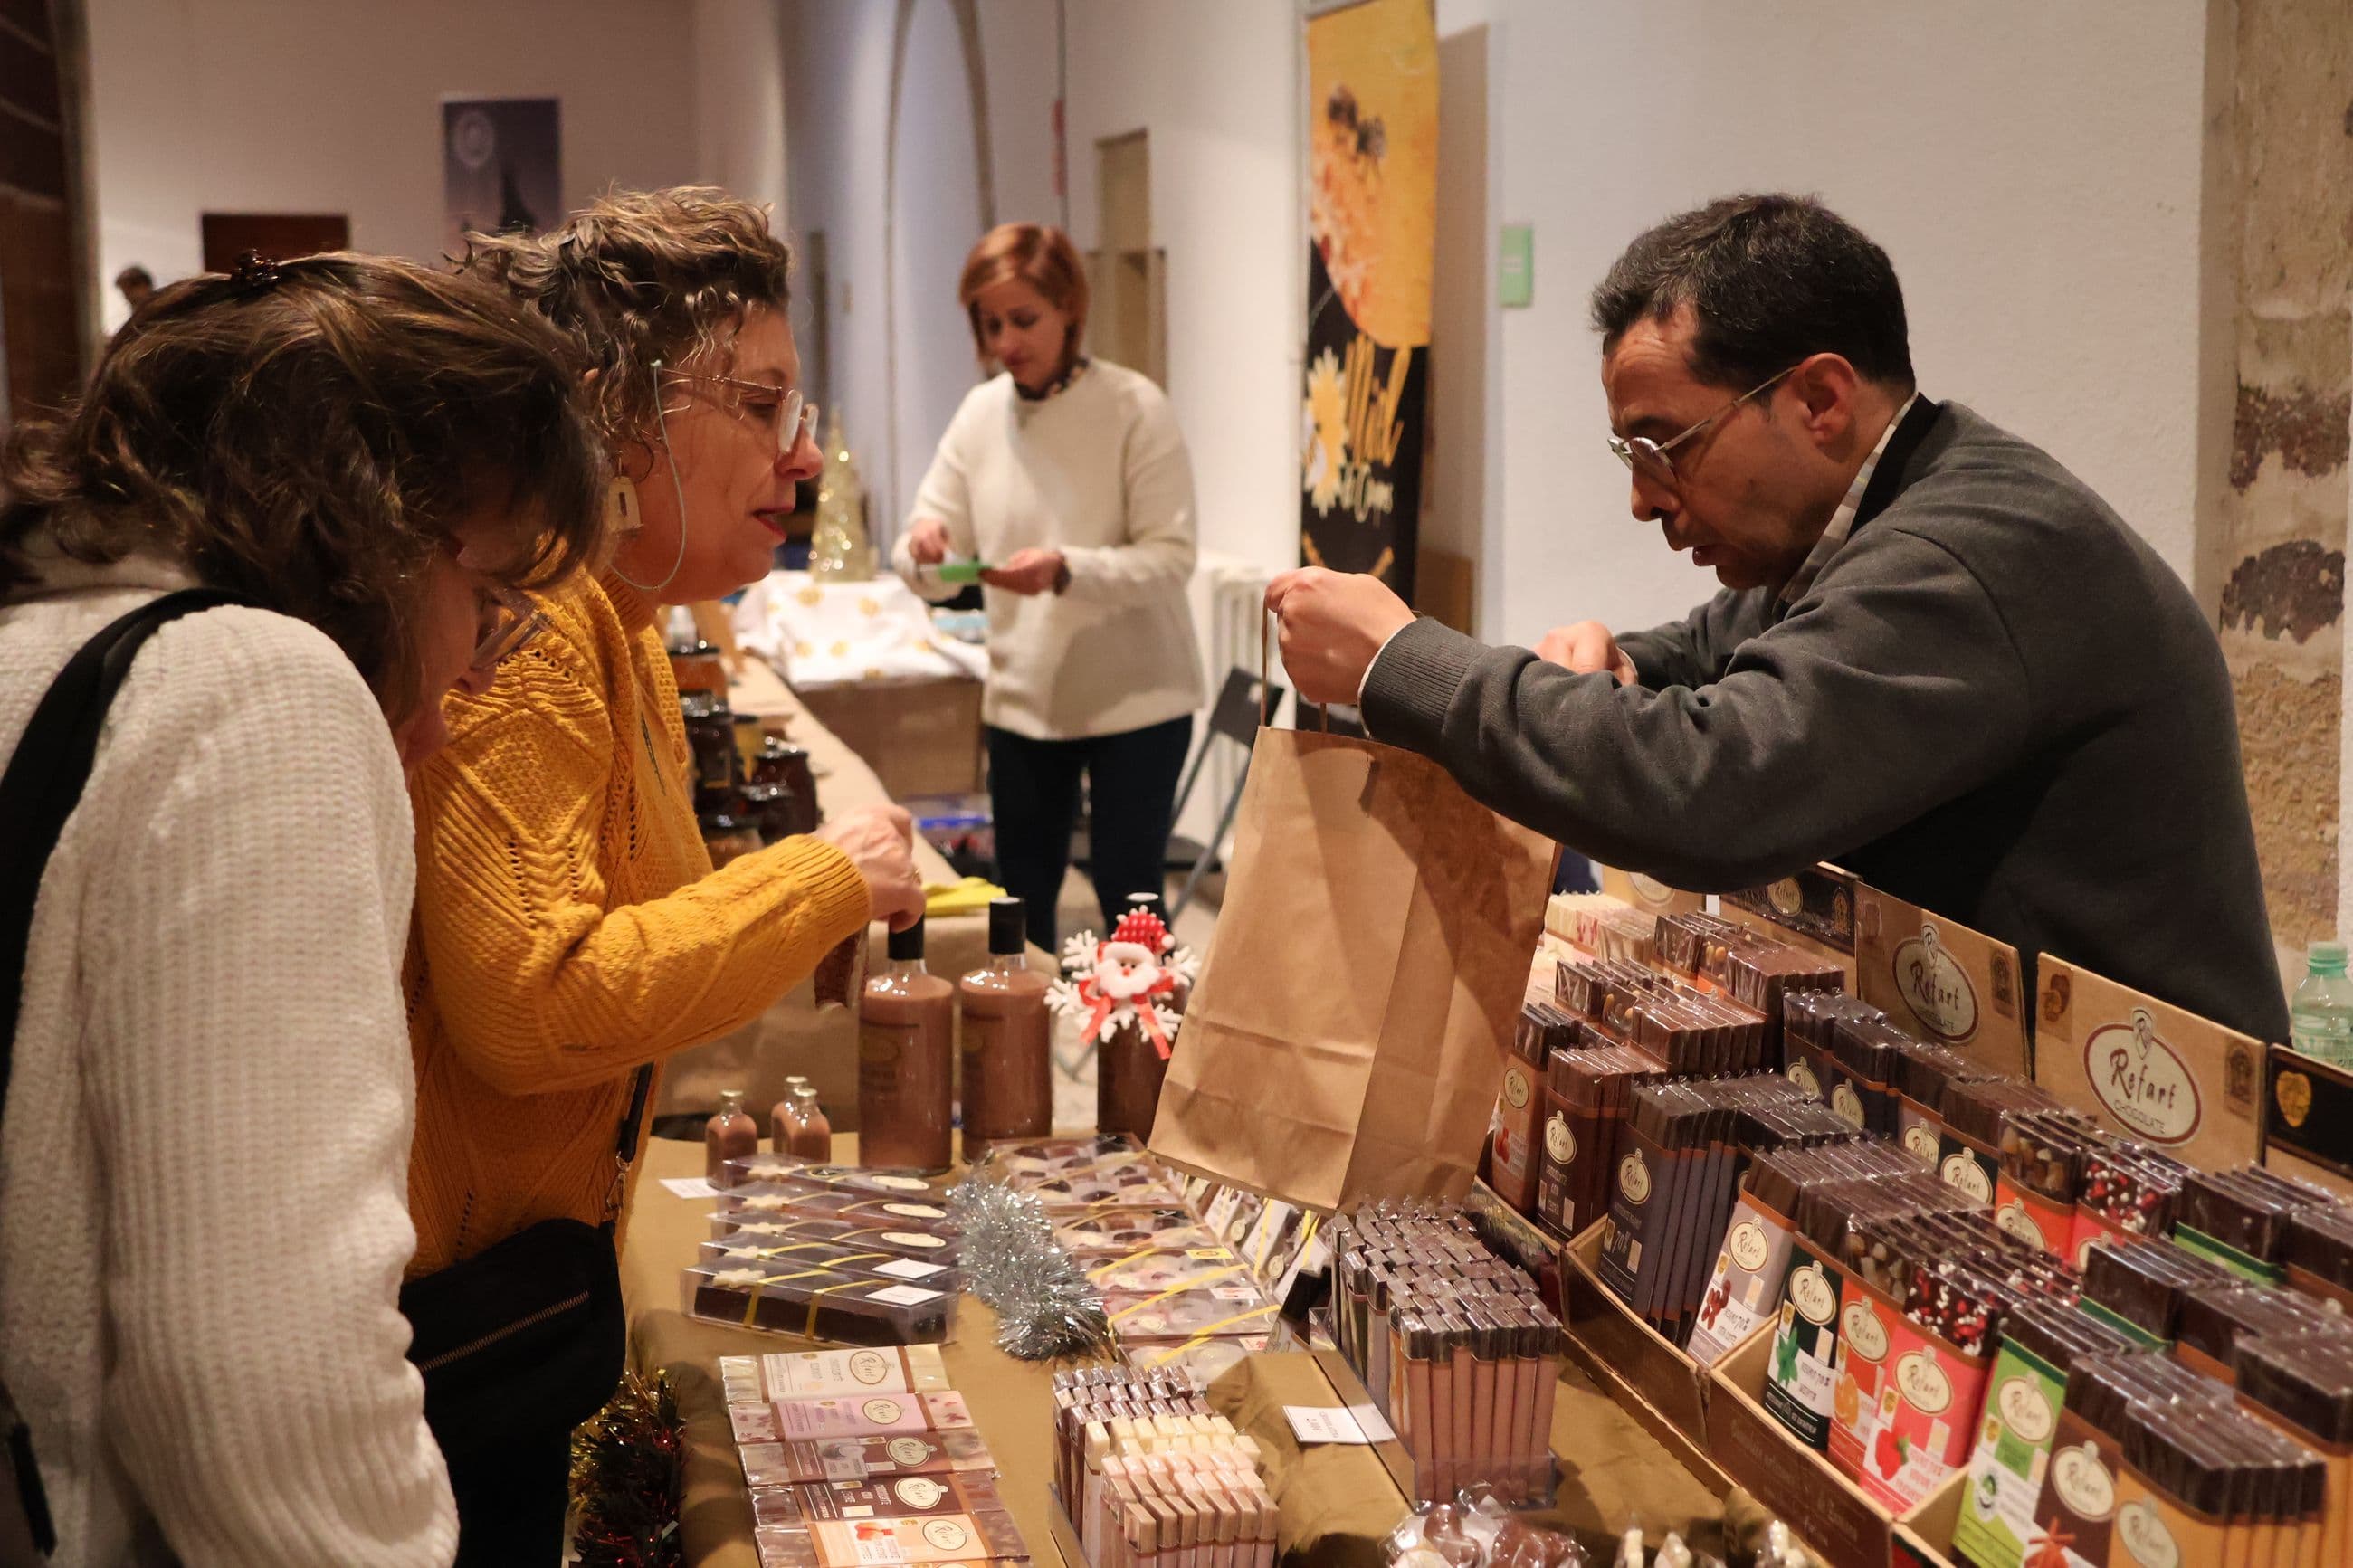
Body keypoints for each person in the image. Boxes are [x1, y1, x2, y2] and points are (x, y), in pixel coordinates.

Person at [1269, 194, 2287, 1042]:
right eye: (1629, 456)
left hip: (2155, 1160)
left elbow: (1708, 788)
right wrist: (1622, 661)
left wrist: (1399, 659)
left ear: (1819, 399)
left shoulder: (1970, 553)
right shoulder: (1872, 511)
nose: (1645, 498)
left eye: (1664, 444)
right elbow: (1729, 646)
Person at [0, 252, 605, 1566]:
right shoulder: (259, 694)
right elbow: (259, 1390)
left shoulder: (59, 642)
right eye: (492, 599)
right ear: (379, 522)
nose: (454, 704)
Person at [408, 187, 924, 1559]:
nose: (799, 460)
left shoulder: (625, 619)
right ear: (618, 412)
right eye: (759, 410)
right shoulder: (535, 638)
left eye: (793, 414)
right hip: (463, 1324)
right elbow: (538, 1005)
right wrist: (822, 881)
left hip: (534, 1282)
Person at [893, 223, 1204, 951]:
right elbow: (922, 553)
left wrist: (1067, 568)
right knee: (1020, 898)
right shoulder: (980, 415)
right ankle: (1021, 1054)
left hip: (1139, 701)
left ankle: (1146, 1058)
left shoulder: (1135, 406)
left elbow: (1171, 558)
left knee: (1129, 894)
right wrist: (926, 548)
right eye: (991, 323)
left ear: (1070, 307)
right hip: (1026, 702)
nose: (1007, 341)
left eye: (1024, 319)